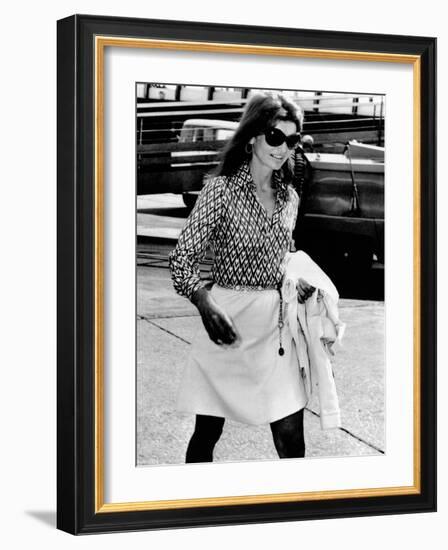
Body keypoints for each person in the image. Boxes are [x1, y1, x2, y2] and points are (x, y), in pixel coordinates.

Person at [169, 92, 315, 463]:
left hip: (274, 327)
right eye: (275, 137)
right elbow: (182, 259)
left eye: (292, 139)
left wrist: (296, 283)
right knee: (207, 433)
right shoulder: (220, 191)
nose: (283, 148)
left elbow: (283, 257)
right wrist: (204, 302)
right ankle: (192, 508)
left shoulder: (290, 198)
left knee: (290, 437)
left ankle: (300, 514)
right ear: (252, 137)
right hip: (225, 319)